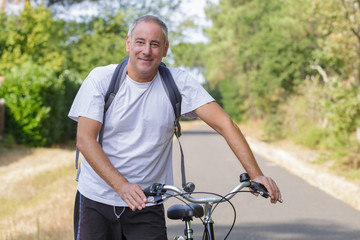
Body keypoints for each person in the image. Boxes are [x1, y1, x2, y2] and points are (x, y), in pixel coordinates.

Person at [68, 15, 282, 240]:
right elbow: (85, 139)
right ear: (128, 44)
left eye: (155, 44)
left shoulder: (178, 83)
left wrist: (256, 174)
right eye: (140, 42)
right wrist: (121, 186)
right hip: (96, 199)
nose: (146, 51)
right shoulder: (101, 79)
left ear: (165, 49)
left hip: (145, 202)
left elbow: (224, 124)